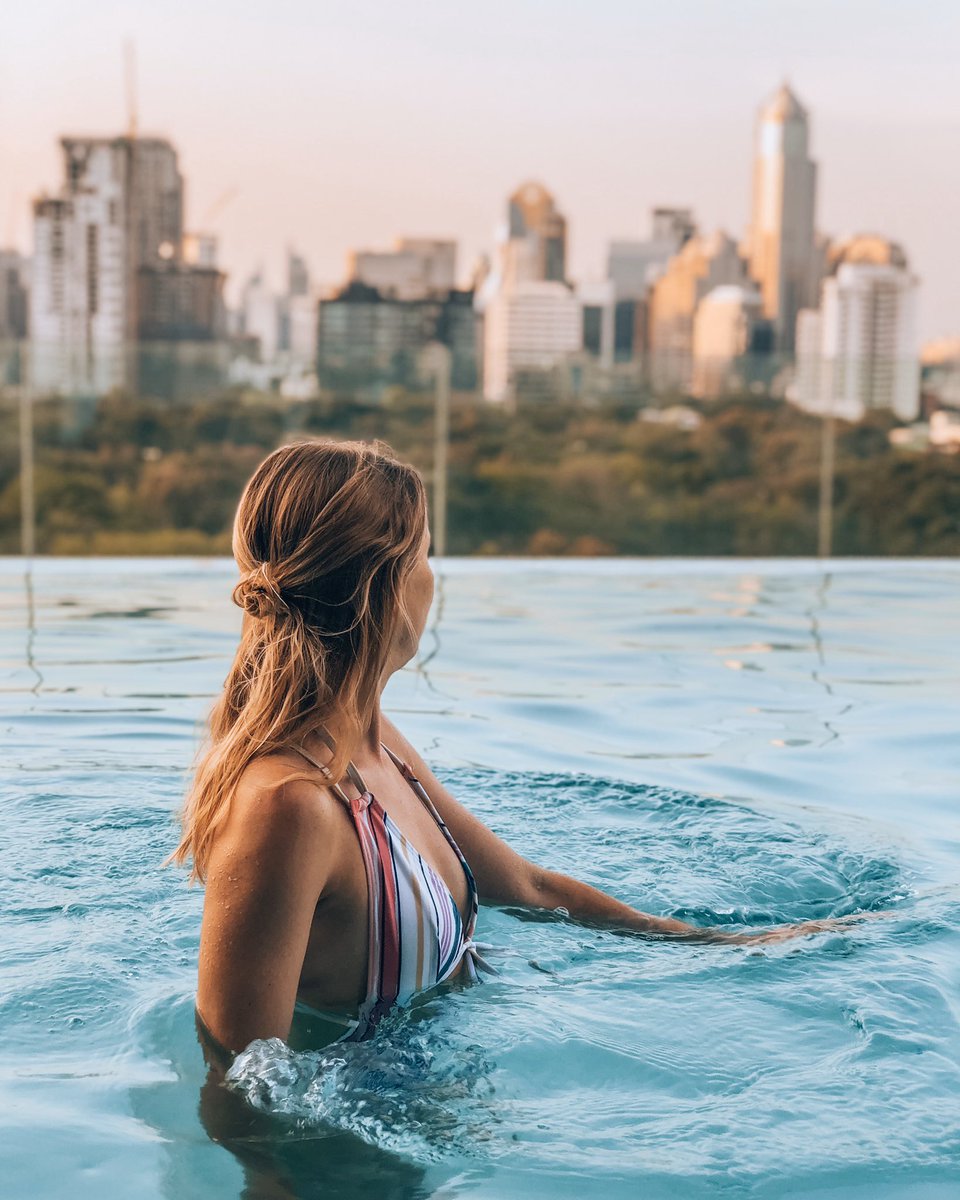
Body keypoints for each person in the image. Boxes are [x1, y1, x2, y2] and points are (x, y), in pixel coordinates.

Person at [166, 437, 869, 1061]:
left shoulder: (378, 751)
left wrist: (728, 948)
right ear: (385, 584)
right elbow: (241, 1081)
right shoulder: (288, 808)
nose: (434, 578)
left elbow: (528, 889)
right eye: (426, 554)